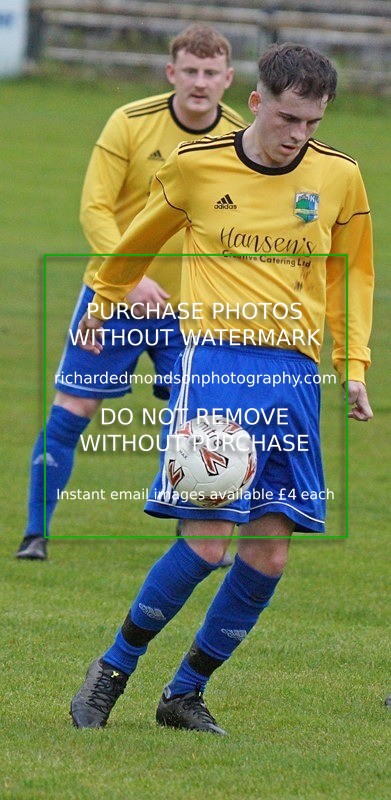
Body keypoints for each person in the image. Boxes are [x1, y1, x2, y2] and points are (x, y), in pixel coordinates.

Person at [70, 43, 374, 734]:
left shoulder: (338, 178)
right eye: (287, 118)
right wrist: (102, 300)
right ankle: (112, 670)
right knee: (208, 540)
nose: (298, 135)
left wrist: (351, 365)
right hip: (216, 369)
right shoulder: (198, 168)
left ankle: (184, 694)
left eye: (312, 122)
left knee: (269, 551)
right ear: (258, 101)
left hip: (295, 376)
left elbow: (349, 275)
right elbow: (136, 242)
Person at [15, 24, 245, 562]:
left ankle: (196, 533)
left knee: (198, 420)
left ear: (228, 80)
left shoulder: (238, 135)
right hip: (115, 297)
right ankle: (34, 534)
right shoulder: (129, 122)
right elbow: (94, 208)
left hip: (191, 308)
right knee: (72, 407)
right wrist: (129, 276)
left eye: (211, 73)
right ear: (171, 73)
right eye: (190, 70)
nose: (200, 82)